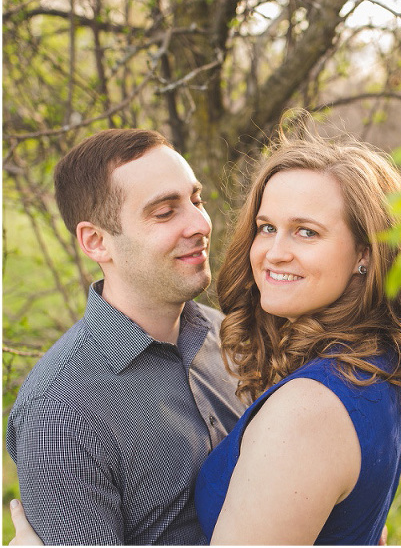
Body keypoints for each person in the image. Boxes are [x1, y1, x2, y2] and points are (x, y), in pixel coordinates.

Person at [193, 122, 401, 543]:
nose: (274, 253)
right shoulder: (377, 360)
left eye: (306, 232)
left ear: (365, 253)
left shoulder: (306, 413)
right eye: (266, 227)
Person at [6, 129, 244, 546]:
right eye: (165, 212)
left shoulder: (225, 333)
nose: (200, 223)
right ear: (96, 241)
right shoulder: (61, 414)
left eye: (196, 200)